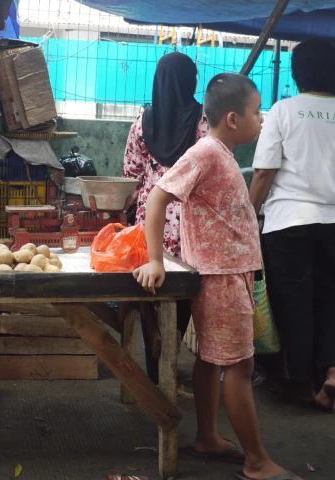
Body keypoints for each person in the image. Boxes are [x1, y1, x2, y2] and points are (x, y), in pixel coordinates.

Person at [134, 73, 300, 480]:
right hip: (220, 277)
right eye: (257, 111)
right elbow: (158, 196)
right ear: (231, 118)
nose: (261, 119)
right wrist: (156, 259)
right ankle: (257, 461)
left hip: (230, 273)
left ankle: (207, 436)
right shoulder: (206, 152)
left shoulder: (220, 151)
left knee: (211, 361)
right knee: (240, 368)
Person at [249, 39, 335, 412]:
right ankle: (334, 369)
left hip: (288, 221)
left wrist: (245, 215)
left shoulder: (283, 111)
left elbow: (263, 174)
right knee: (328, 294)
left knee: (293, 299)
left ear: (296, 73)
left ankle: (296, 379)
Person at [123, 52, 208, 385]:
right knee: (183, 291)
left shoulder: (143, 122)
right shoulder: (204, 121)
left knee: (150, 290)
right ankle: (170, 356)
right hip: (189, 221)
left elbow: (131, 173)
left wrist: (130, 209)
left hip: (151, 220)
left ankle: (154, 368)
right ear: (192, 81)